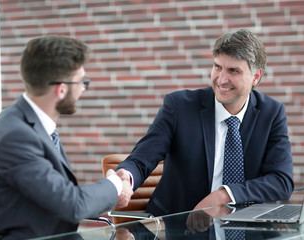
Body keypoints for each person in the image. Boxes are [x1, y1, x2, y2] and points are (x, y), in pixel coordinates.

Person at [116, 29, 294, 217]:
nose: (222, 79)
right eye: (218, 67)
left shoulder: (272, 113)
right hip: (177, 227)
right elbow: (142, 158)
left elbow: (281, 181)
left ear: (256, 76)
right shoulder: (179, 107)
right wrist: (126, 177)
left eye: (233, 70)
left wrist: (225, 194)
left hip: (246, 228)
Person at [0, 35, 132, 239]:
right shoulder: (15, 135)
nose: (83, 89)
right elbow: (72, 205)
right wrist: (114, 185)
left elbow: (59, 198)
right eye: (82, 82)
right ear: (61, 89)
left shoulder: (33, 124)